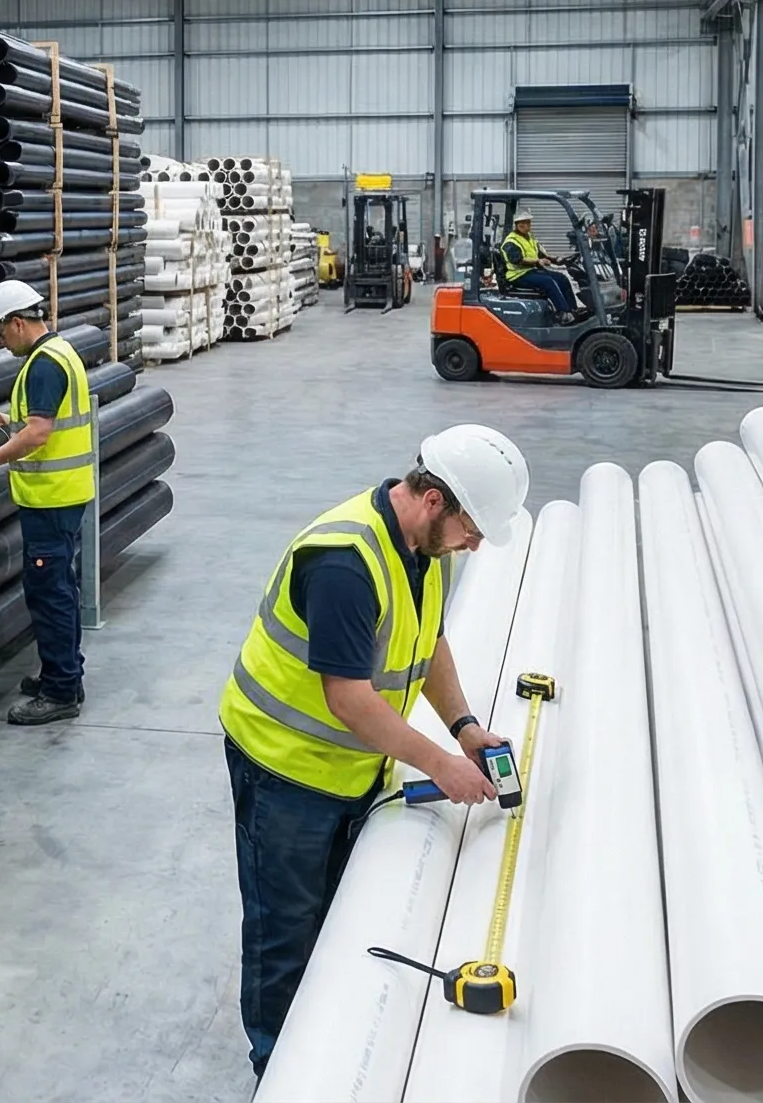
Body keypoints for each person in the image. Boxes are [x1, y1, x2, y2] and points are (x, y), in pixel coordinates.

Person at [217, 425, 532, 1077]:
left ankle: (320, 1045)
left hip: (348, 766)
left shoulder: (425, 551)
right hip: (285, 769)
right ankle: (279, 1072)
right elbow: (351, 700)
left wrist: (466, 729)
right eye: (474, 529)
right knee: (285, 930)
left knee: (331, 912)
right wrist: (440, 765)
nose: (476, 544)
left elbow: (431, 643)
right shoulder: (345, 563)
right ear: (436, 501)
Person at [0, 278, 96, 726]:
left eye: (0, 334)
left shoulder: (41, 365)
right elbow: (37, 423)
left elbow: (39, 434)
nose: (1, 345)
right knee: (59, 589)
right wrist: (5, 420)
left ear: (18, 323)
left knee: (49, 593)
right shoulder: (60, 352)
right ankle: (63, 675)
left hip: (51, 500)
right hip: (63, 496)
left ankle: (59, 691)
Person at [498, 211, 580, 317]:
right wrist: (537, 261)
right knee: (548, 282)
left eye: (529, 222)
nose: (529, 225)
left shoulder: (529, 237)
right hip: (518, 275)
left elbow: (539, 253)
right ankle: (563, 312)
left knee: (561, 278)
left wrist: (555, 260)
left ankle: (573, 309)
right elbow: (517, 259)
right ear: (519, 224)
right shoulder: (511, 241)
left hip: (531, 271)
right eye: (527, 223)